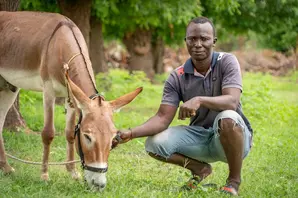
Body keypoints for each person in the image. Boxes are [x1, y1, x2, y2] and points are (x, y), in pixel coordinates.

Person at [115, 16, 253, 196]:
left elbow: (232, 101)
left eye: (204, 39)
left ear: (214, 42)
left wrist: (199, 100)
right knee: (154, 144)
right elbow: (162, 118)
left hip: (233, 138)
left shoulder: (227, 61)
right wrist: (131, 133)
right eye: (192, 39)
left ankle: (233, 181)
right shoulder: (177, 76)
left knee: (227, 117)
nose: (197, 44)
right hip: (200, 138)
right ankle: (200, 169)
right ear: (186, 41)